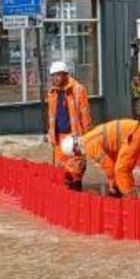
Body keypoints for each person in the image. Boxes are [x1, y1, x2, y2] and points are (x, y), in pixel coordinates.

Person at [61, 119, 140, 198]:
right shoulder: (89, 139)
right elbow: (111, 160)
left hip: (133, 134)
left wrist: (113, 184)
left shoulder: (89, 146)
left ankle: (133, 204)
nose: (79, 156)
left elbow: (108, 165)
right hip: (134, 131)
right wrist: (113, 184)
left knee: (121, 170)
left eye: (76, 154)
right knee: (123, 170)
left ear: (75, 149)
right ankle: (132, 198)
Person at [46, 61, 92, 189]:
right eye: (54, 75)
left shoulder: (78, 89)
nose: (56, 78)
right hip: (58, 134)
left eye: (59, 75)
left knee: (76, 167)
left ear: (66, 75)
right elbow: (51, 114)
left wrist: (87, 134)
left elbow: (85, 112)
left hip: (74, 134)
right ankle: (68, 193)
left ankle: (77, 191)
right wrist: (50, 133)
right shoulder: (52, 92)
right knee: (62, 168)